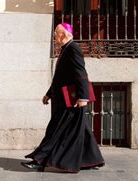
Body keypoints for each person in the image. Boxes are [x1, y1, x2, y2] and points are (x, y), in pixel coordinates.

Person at [21, 23, 105, 173]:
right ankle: (93, 159)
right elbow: (60, 78)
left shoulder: (73, 49)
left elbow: (81, 74)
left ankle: (40, 161)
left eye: (56, 33)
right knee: (82, 130)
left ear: (65, 34)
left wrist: (83, 97)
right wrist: (49, 93)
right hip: (64, 100)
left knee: (55, 130)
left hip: (71, 102)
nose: (54, 36)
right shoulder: (65, 49)